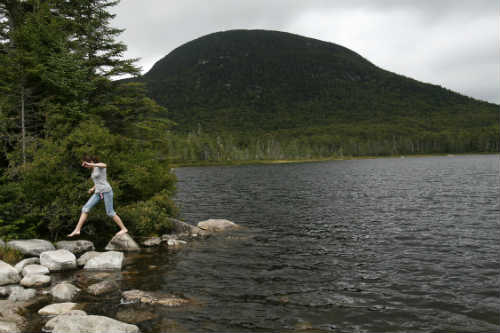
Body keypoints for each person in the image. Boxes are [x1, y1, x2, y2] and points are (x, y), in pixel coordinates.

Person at [68, 155, 128, 237]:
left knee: (110, 213)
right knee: (85, 209)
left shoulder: (99, 166)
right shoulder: (93, 170)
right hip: (98, 193)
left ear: (91, 162)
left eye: (86, 164)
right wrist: (92, 188)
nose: (85, 166)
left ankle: (124, 229)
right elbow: (100, 181)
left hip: (107, 191)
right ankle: (77, 229)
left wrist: (92, 164)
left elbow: (105, 165)